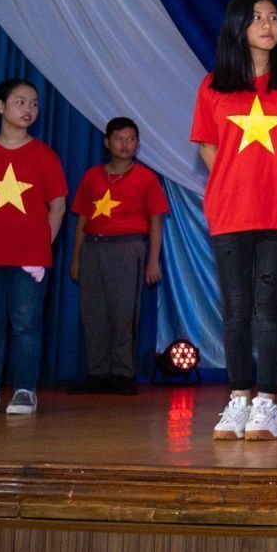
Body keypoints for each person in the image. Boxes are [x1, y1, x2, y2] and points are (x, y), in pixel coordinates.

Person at [191, 0, 277, 440]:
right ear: (238, 26)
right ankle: (238, 398)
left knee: (268, 308)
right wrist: (237, 181)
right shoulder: (214, 85)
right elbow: (207, 146)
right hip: (231, 211)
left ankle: (267, 404)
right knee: (235, 309)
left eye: (273, 17)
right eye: (256, 18)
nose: (268, 25)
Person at [0, 79, 67, 415]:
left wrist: (41, 245)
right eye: (20, 102)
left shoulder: (45, 156)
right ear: (0, 106)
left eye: (34, 103)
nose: (29, 109)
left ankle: (24, 390)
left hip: (30, 258)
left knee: (26, 324)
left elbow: (58, 206)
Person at [69, 117, 168, 394]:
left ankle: (123, 373)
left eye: (131, 139)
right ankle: (97, 373)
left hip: (127, 247)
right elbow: (82, 219)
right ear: (107, 142)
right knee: (93, 312)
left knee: (124, 312)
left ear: (138, 145)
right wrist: (76, 258)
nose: (125, 144)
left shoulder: (146, 178)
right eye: (119, 138)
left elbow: (156, 221)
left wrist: (152, 260)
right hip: (93, 247)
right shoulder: (92, 176)